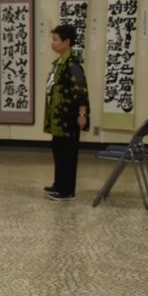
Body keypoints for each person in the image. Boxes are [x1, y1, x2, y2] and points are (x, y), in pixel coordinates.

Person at [43, 24, 90, 201]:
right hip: (58, 118)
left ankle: (67, 190)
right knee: (58, 150)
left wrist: (82, 115)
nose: (52, 43)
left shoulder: (72, 64)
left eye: (56, 39)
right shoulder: (60, 63)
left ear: (67, 42)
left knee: (68, 154)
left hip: (68, 118)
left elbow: (81, 92)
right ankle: (58, 184)